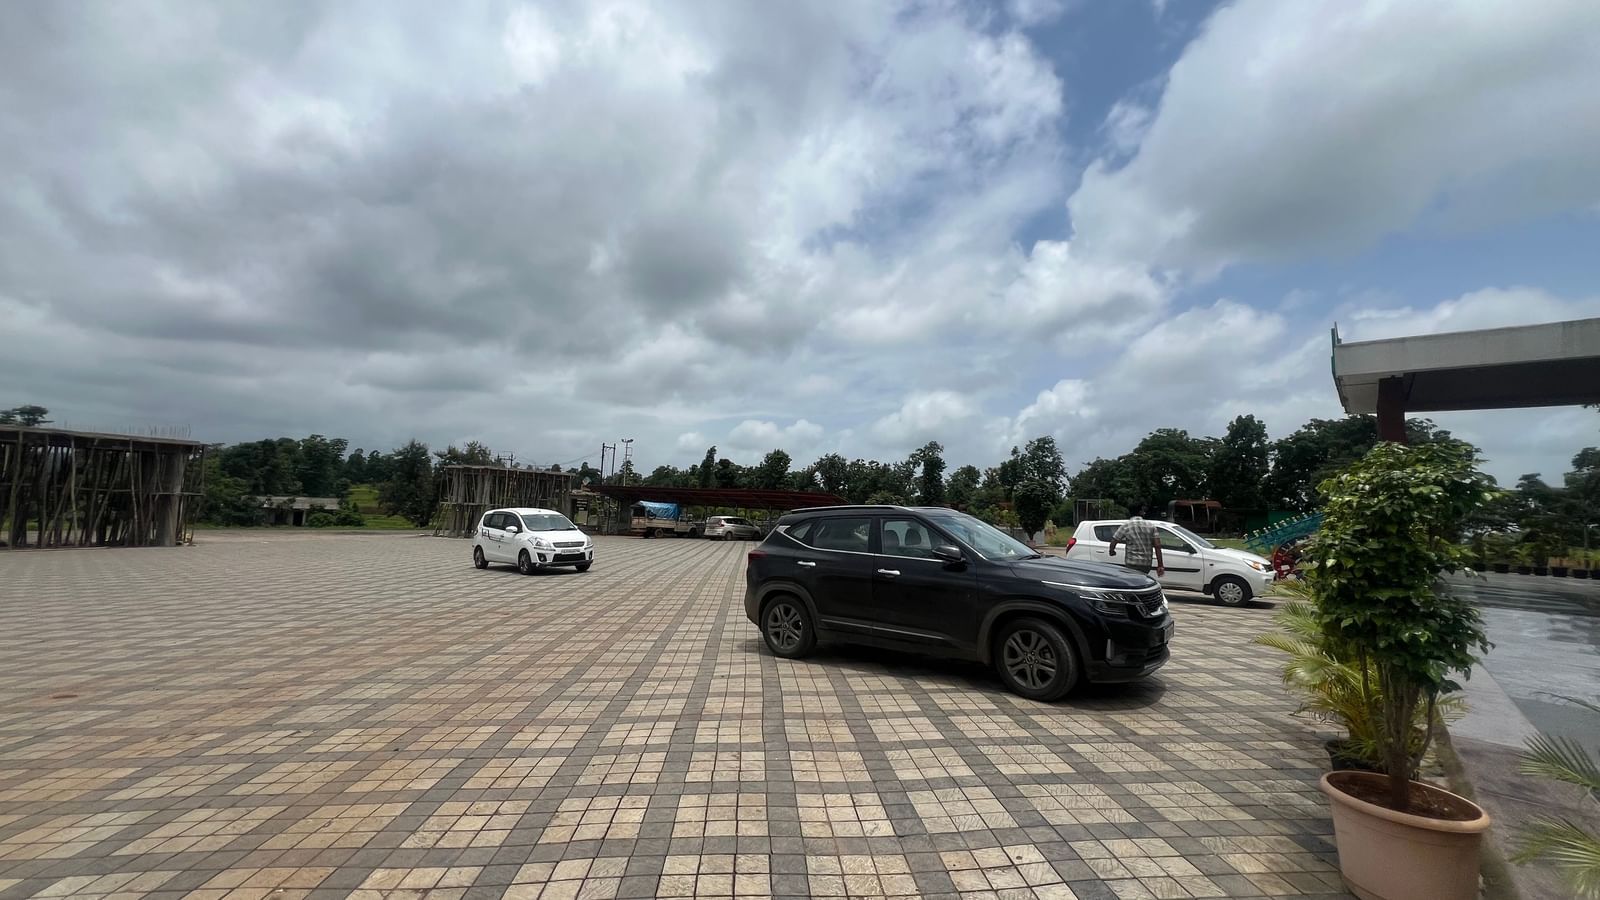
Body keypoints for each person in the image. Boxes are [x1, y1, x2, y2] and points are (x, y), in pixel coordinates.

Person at [1108, 508, 1164, 577]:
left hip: (1131, 563)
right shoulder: (1151, 526)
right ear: (1141, 513)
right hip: (1146, 564)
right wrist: (1160, 565)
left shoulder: (1126, 525)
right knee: (1143, 581)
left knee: (1132, 583)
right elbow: (1157, 546)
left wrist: (1112, 551)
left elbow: (1114, 540)